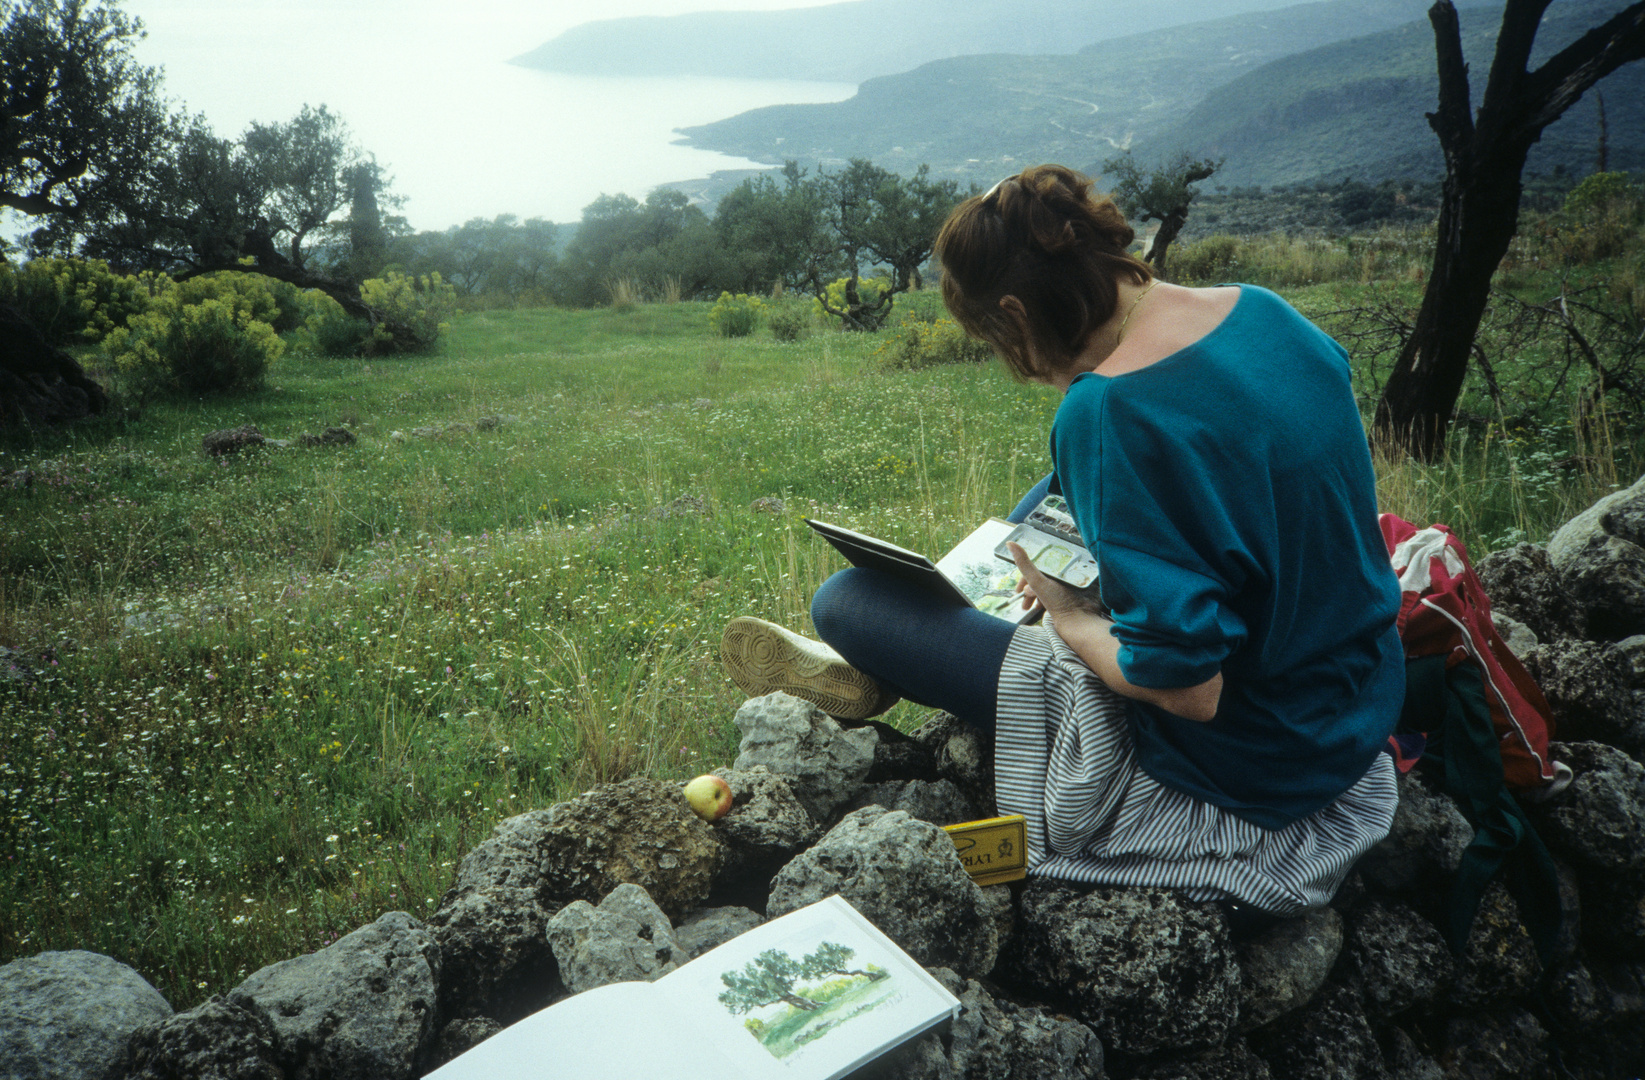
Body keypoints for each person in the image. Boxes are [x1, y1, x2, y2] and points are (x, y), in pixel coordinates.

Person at [721, 164, 1404, 915]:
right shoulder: (1265, 313)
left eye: (997, 341)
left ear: (1014, 313)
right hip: (1353, 702)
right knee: (1043, 506)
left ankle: (882, 661)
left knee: (849, 601)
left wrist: (1075, 619)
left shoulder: (1107, 412)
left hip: (1252, 755)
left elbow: (1188, 687)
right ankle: (939, 632)